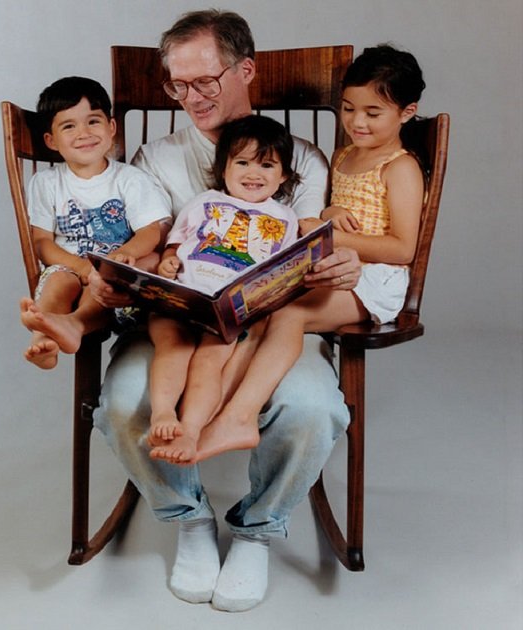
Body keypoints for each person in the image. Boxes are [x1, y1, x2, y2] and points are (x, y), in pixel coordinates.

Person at [85, 10, 364, 612]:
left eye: (205, 81)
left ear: (246, 70)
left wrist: (337, 265)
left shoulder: (305, 162)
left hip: (268, 326)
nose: (191, 97)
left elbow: (313, 241)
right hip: (176, 326)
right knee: (127, 404)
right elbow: (149, 243)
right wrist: (127, 278)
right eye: (177, 85)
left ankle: (258, 529)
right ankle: (187, 517)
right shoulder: (155, 158)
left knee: (312, 409)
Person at [202, 45, 427, 460]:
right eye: (347, 109)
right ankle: (216, 410)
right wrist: (330, 212)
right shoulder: (345, 155)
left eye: (372, 113)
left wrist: (325, 233)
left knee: (288, 312)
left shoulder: (400, 167)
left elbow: (402, 248)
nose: (357, 122)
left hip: (376, 279)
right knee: (263, 305)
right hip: (334, 268)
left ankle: (240, 416)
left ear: (407, 112)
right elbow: (337, 213)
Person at [146, 115, 302, 466]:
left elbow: (281, 272)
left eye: (266, 165)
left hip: (229, 312)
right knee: (173, 347)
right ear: (224, 168)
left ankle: (190, 430)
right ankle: (163, 415)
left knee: (208, 363)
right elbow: (176, 243)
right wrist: (168, 261)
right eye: (242, 162)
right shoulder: (205, 202)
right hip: (182, 298)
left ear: (284, 175)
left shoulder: (284, 218)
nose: (253, 173)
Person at [18, 76, 170, 369]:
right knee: (59, 280)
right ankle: (43, 341)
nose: (83, 133)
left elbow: (151, 232)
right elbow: (42, 242)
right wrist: (83, 268)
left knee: (101, 284)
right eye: (69, 126)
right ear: (51, 140)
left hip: (115, 277)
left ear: (111, 128)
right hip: (69, 267)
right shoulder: (46, 182)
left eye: (93, 121)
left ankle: (74, 324)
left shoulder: (129, 178)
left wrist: (112, 261)